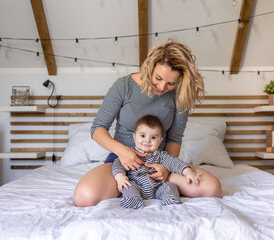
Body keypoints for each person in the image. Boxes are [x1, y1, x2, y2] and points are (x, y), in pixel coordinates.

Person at [74, 39, 222, 207]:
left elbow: (174, 139)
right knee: (84, 197)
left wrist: (165, 169)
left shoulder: (180, 96)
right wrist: (123, 152)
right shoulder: (124, 86)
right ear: (150, 67)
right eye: (158, 78)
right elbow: (97, 129)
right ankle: (130, 185)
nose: (161, 87)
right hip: (121, 162)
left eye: (171, 83)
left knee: (213, 189)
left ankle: (157, 186)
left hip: (159, 161)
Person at [113, 115, 200, 209]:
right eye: (142, 136)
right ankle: (133, 200)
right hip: (136, 185)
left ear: (160, 140)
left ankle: (170, 199)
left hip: (157, 186)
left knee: (170, 186)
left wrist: (188, 172)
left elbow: (175, 163)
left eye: (153, 137)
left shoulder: (161, 156)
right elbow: (118, 164)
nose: (147, 140)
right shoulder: (130, 154)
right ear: (134, 137)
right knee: (127, 186)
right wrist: (120, 177)